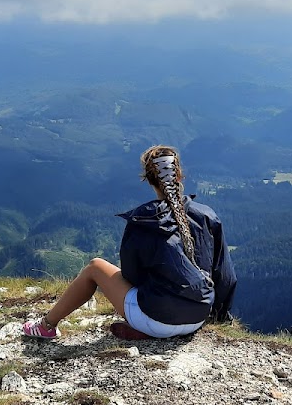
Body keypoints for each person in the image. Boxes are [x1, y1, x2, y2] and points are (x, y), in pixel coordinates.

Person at [23, 145, 236, 340]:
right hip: (198, 317)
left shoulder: (144, 220)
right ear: (179, 175)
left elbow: (131, 276)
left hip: (158, 318)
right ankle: (151, 329)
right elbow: (225, 276)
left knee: (95, 267)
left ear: (149, 180)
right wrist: (215, 315)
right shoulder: (207, 216)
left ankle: (46, 326)